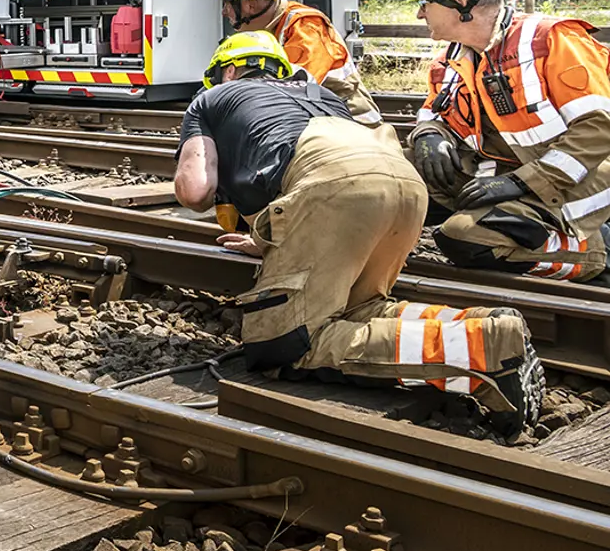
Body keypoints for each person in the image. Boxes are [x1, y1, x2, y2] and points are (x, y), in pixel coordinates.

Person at [175, 30, 543, 433]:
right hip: (403, 183)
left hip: (336, 188)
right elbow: (332, 171)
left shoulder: (211, 99)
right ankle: (481, 325)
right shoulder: (321, 96)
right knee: (358, 307)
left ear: (228, 70)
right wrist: (272, 238)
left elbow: (196, 191)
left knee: (285, 344)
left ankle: (477, 351)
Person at [404, 0, 610, 283]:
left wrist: (521, 182)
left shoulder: (550, 42)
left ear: (459, 1)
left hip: (579, 182)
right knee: (393, 175)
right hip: (501, 173)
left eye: (425, 3)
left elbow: (599, 128)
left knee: (465, 238)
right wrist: (428, 134)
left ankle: (596, 251)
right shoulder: (454, 58)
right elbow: (433, 111)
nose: (420, 13)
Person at [211, 0, 383, 128]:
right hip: (325, 121)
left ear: (249, 5)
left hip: (356, 127)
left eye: (227, 4)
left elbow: (295, 89)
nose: (225, 12)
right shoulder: (272, 30)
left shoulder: (305, 27)